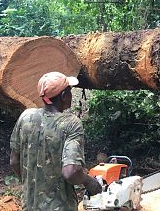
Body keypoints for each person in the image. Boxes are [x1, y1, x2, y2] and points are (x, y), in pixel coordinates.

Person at [10, 71, 102, 211]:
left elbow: (14, 161)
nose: (71, 95)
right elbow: (70, 172)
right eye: (69, 92)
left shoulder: (26, 117)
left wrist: (32, 185)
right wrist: (89, 182)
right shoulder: (70, 124)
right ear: (64, 96)